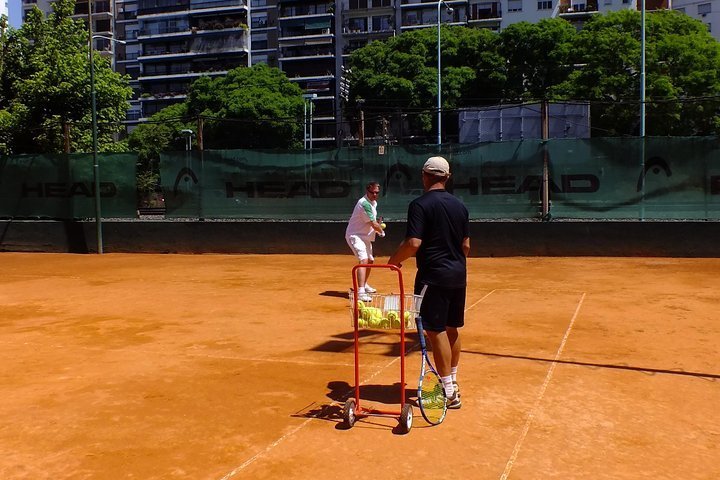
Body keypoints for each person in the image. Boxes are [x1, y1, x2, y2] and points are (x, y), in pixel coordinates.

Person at [388, 156, 470, 409]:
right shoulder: (460, 206)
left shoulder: (419, 205)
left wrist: (394, 261)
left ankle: (447, 391)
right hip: (458, 274)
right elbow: (466, 246)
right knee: (452, 327)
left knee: (435, 331)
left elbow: (413, 243)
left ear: (424, 176)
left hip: (433, 276)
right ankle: (452, 382)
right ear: (447, 177)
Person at [345, 181, 385, 302]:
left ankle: (364, 284)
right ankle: (361, 292)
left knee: (370, 260)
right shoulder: (364, 204)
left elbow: (373, 222)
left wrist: (377, 226)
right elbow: (373, 224)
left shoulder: (374, 203)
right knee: (364, 259)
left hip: (365, 237)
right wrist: (381, 232)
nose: (374, 194)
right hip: (355, 235)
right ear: (367, 191)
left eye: (377, 192)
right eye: (372, 192)